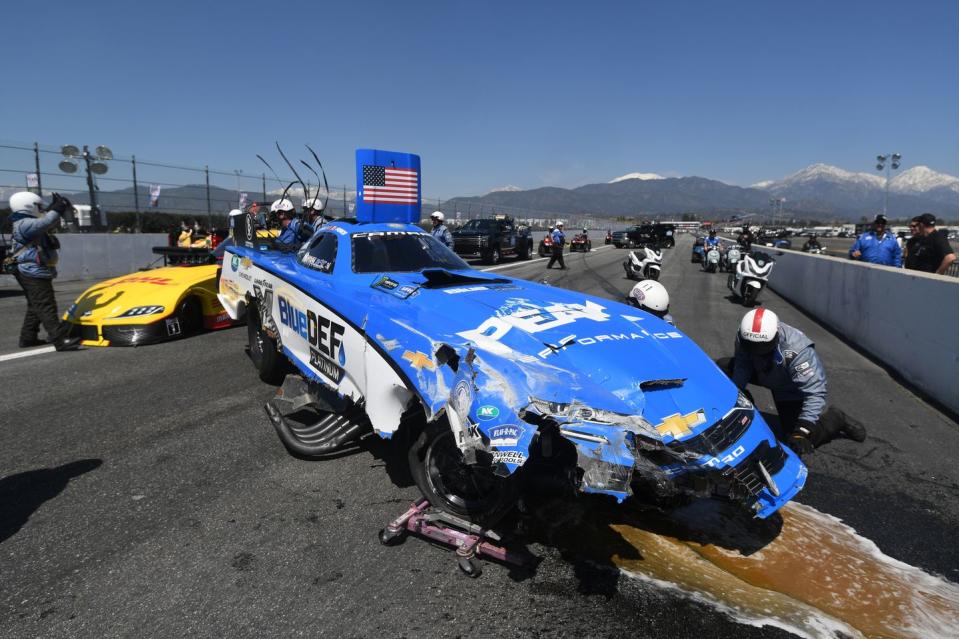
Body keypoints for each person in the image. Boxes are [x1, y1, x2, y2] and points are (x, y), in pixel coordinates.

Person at [718, 308, 865, 454]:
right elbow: (742, 364)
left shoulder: (798, 350)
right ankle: (738, 410)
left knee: (796, 440)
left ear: (776, 336)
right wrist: (738, 392)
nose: (756, 351)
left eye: (762, 346)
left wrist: (803, 429)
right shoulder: (744, 336)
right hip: (761, 371)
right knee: (720, 368)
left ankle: (836, 418)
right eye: (751, 345)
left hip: (788, 387)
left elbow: (815, 392)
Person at [7, 191, 81, 351]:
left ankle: (28, 338)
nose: (42, 209)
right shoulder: (25, 223)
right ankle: (60, 340)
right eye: (40, 206)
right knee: (46, 305)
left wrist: (54, 210)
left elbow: (47, 221)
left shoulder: (24, 222)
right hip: (32, 271)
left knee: (35, 305)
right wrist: (59, 208)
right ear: (29, 206)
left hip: (30, 270)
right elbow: (47, 222)